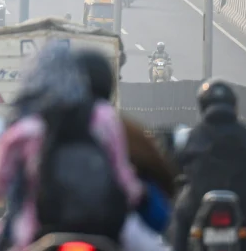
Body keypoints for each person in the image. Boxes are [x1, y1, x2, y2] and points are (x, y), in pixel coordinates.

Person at [0, 42, 142, 251]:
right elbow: (124, 179)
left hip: (35, 232)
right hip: (103, 229)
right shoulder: (105, 117)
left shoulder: (26, 128)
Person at [74, 49, 177, 249]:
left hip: (45, 232)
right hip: (112, 229)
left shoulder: (41, 124)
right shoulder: (120, 128)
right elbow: (157, 213)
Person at [173, 79, 246, 251]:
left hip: (197, 202)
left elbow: (175, 163)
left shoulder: (194, 136)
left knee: (180, 215)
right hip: (242, 202)